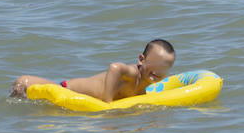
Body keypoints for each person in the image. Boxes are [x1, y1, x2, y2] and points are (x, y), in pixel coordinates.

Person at [11, 39, 176, 100]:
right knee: (22, 83)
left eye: (164, 68)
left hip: (78, 100)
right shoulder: (132, 73)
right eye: (155, 64)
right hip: (66, 89)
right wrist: (108, 103)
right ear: (141, 60)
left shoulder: (146, 86)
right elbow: (115, 67)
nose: (158, 72)